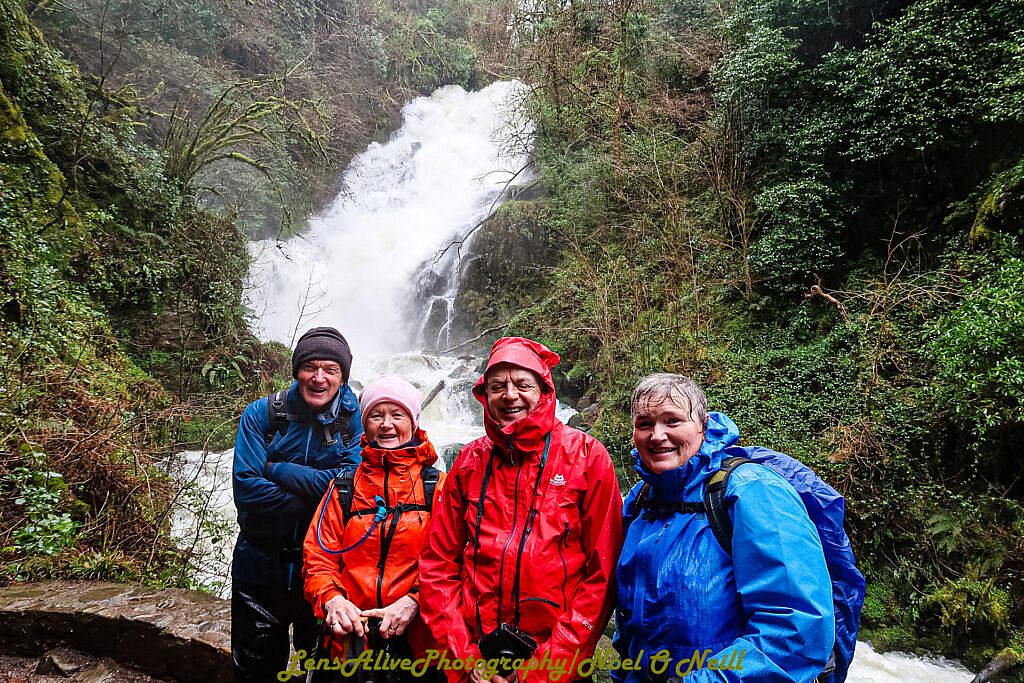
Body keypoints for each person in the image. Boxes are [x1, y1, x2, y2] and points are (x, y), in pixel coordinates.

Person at [419, 337, 623, 683]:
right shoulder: (469, 462)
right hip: (476, 660)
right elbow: (437, 565)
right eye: (497, 386)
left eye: (522, 384)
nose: (509, 395)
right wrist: (464, 658)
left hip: (555, 662)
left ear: (544, 390)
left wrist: (543, 670)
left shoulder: (587, 457)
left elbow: (601, 576)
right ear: (485, 396)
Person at [613, 373, 835, 683]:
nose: (657, 435)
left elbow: (796, 630)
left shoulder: (750, 491)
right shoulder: (640, 501)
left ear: (702, 425)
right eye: (645, 424)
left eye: (673, 421)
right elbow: (630, 619)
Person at [231, 327, 363, 683]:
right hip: (259, 569)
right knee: (254, 671)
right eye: (310, 367)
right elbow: (246, 490)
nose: (318, 378)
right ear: (297, 371)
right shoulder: (262, 414)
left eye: (330, 369)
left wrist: (276, 469)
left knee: (324, 673)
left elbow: (350, 491)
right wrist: (319, 491)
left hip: (325, 572)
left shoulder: (357, 421)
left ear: (342, 375)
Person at [303, 376, 445, 681]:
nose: (386, 425)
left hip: (419, 644)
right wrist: (332, 600)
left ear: (414, 422)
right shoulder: (342, 488)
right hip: (350, 640)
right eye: (376, 415)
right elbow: (317, 557)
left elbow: (452, 561)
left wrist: (415, 601)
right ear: (364, 424)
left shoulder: (438, 487)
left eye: (397, 415)